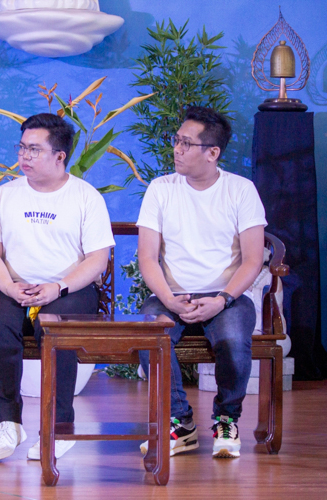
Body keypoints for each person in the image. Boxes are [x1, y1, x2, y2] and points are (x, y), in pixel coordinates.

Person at [0, 113, 115, 463]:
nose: (24, 156)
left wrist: (59, 287)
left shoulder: (85, 197)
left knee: (56, 328)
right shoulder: (3, 195)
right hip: (15, 287)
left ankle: (59, 427)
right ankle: (8, 422)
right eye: (22, 148)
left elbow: (97, 260)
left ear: (59, 156)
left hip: (70, 289)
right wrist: (8, 286)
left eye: (34, 150)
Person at [136, 106, 267, 459]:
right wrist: (169, 298)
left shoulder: (241, 190)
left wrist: (222, 299)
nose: (176, 149)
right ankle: (181, 424)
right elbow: (147, 257)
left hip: (227, 295)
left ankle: (226, 418)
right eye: (176, 141)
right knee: (149, 335)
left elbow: (253, 258)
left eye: (186, 143)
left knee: (234, 339)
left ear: (213, 153)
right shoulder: (161, 188)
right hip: (171, 295)